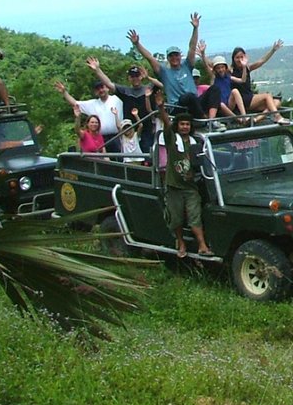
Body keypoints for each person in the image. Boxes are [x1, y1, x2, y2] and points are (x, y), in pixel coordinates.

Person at [155, 88, 212, 258]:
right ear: (177, 126)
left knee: (195, 216)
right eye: (182, 124)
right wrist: (161, 108)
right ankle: (181, 243)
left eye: (187, 124)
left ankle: (202, 245)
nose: (185, 127)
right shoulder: (172, 139)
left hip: (191, 187)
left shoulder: (197, 142)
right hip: (174, 186)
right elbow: (166, 124)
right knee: (176, 218)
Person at [128, 13, 206, 118]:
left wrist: (195, 29)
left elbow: (192, 47)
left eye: (176, 55)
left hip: (194, 102)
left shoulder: (187, 66)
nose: (174, 58)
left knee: (214, 90)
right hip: (178, 106)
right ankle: (204, 119)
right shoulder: (164, 72)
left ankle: (214, 120)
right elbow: (150, 58)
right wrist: (137, 44)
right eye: (171, 56)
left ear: (180, 56)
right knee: (189, 96)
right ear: (168, 58)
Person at [86, 58, 159, 153]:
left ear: (141, 76)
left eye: (137, 76)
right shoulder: (125, 91)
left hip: (148, 128)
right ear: (129, 78)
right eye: (132, 76)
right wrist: (97, 70)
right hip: (129, 130)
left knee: (147, 154)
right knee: (129, 156)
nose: (135, 78)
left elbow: (162, 83)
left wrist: (148, 77)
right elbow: (108, 84)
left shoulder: (149, 88)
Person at [54, 79, 124, 147]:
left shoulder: (118, 99)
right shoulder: (93, 104)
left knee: (120, 158)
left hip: (118, 136)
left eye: (102, 87)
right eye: (98, 89)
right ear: (95, 92)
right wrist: (64, 92)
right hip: (100, 138)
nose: (101, 90)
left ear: (107, 88)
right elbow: (75, 104)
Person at [230, 41, 286, 122]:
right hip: (241, 100)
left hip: (250, 98)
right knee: (267, 96)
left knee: (276, 102)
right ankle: (277, 116)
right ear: (233, 59)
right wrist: (204, 55)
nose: (239, 60)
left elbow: (261, 61)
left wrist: (273, 50)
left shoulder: (247, 68)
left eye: (241, 57)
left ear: (245, 57)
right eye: (237, 57)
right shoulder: (230, 70)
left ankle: (257, 119)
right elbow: (214, 66)